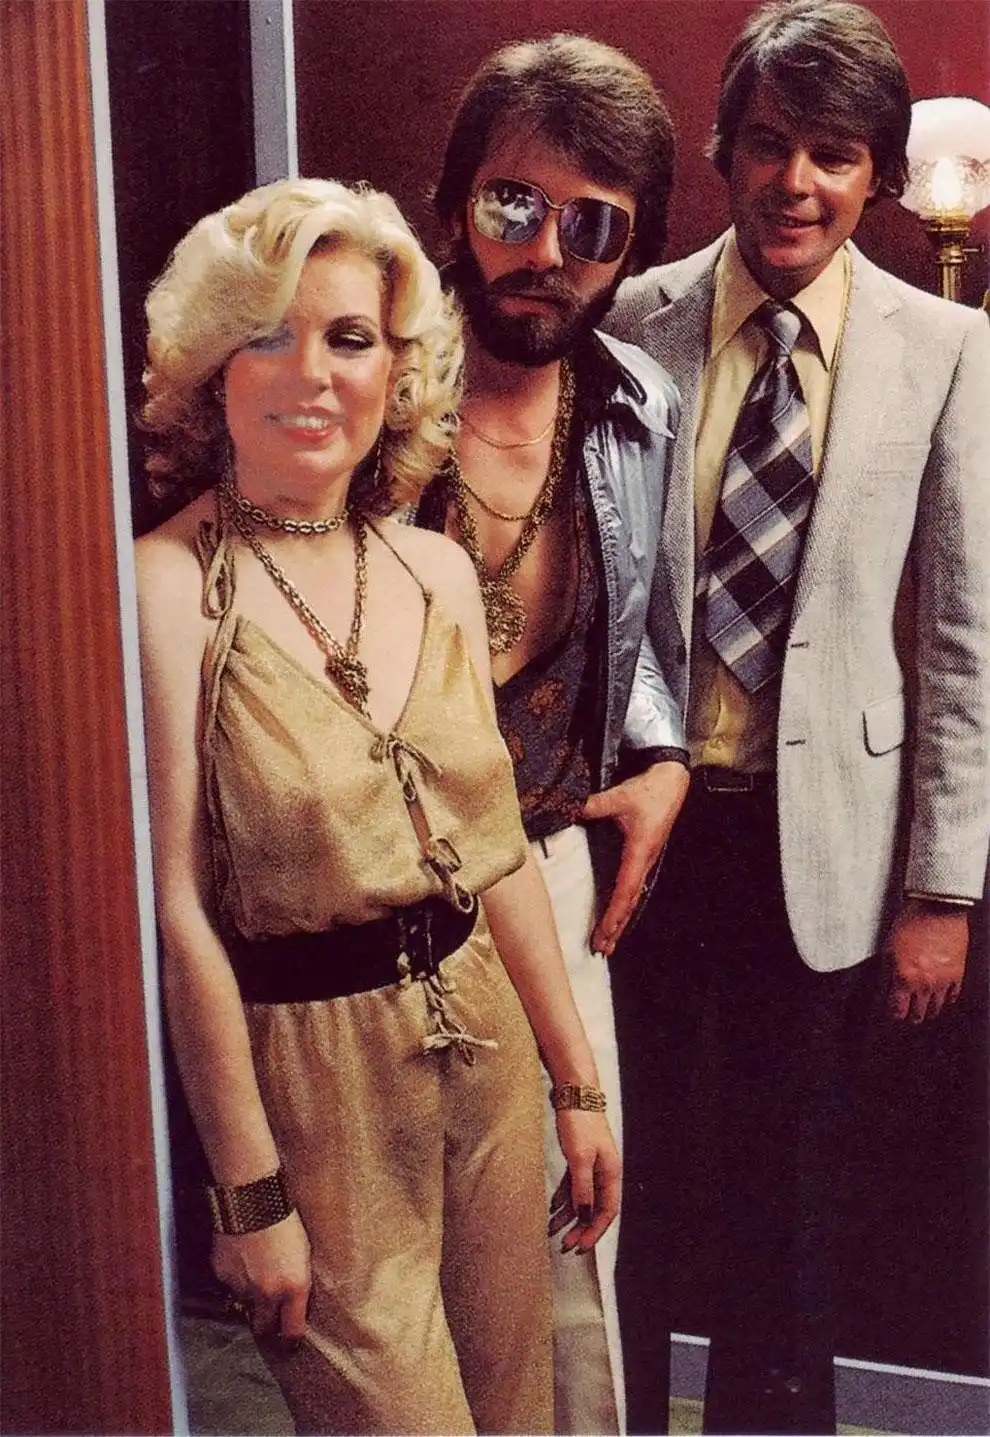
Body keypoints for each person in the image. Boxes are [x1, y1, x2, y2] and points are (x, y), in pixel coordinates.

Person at [136, 176, 622, 1437]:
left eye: (349, 337)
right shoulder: (164, 588)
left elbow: (495, 852)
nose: (312, 373)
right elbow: (178, 915)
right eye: (267, 333)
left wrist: (578, 1084)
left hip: (486, 1040)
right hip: (313, 1075)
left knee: (516, 1413)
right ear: (210, 367)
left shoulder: (435, 569)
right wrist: (247, 1192)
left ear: (397, 370)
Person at [604, 2, 990, 1432]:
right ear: (722, 148)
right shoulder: (629, 317)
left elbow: (961, 635)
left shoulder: (943, 347)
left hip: (823, 841)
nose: (795, 183)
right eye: (768, 144)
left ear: (875, 175)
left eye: (833, 154)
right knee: (623, 1183)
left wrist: (943, 888)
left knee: (791, 1209)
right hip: (635, 837)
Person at [416, 35, 689, 1436]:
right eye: (513, 206)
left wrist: (663, 758)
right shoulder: (366, 395)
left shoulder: (640, 408)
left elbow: (648, 637)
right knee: (391, 1275)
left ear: (630, 251)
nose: (544, 256)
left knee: (574, 1258)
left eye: (594, 228)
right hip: (370, 895)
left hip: (551, 871)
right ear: (452, 204)